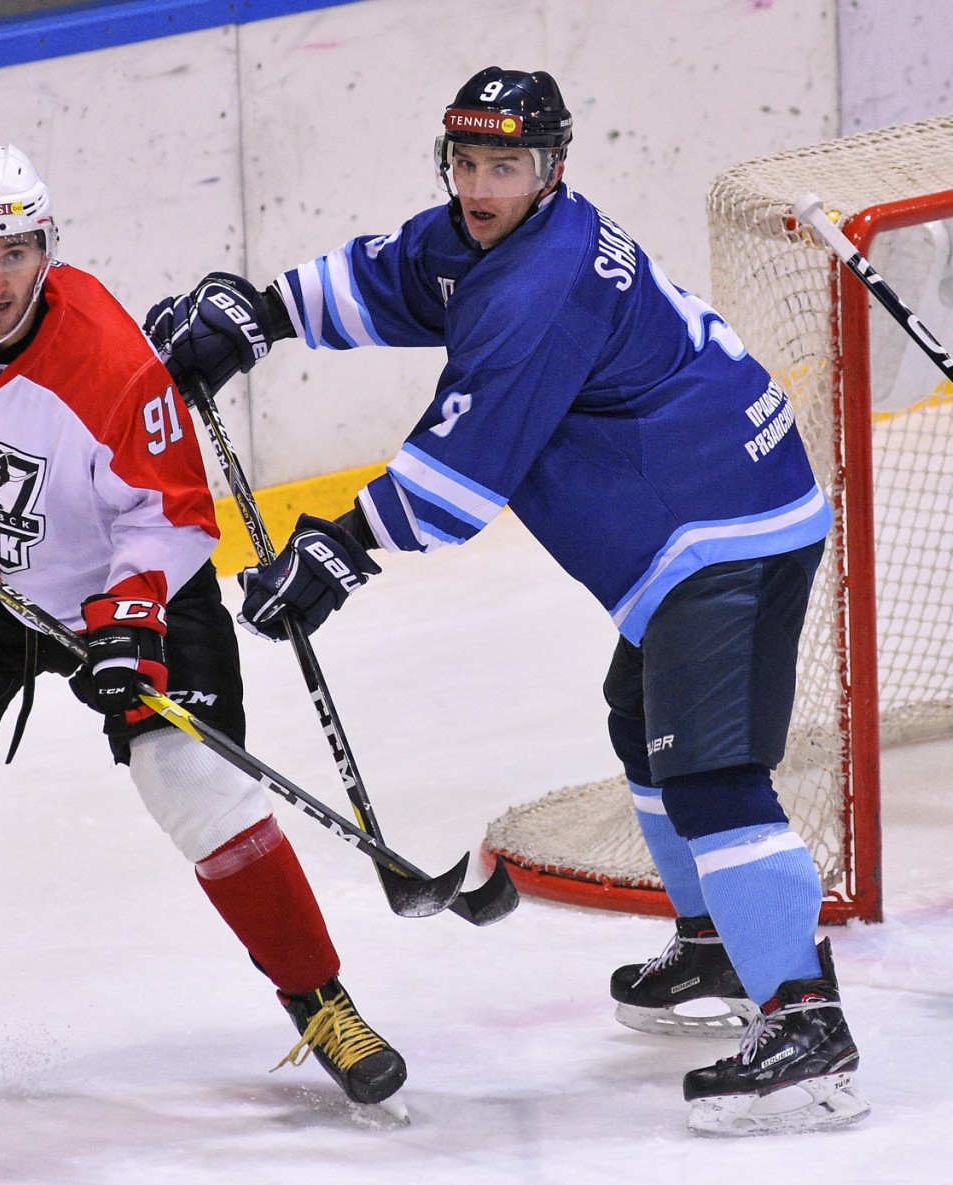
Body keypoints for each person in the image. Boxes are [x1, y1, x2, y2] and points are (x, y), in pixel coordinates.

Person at [143, 69, 870, 1136]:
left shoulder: (540, 289)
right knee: (643, 722)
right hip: (706, 511)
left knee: (712, 773)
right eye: (468, 163)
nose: (481, 187)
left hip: (725, 526)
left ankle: (808, 1027)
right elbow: (390, 275)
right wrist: (260, 315)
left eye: (507, 166)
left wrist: (339, 548)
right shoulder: (485, 236)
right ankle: (718, 944)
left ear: (553, 170)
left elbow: (458, 478)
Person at [0, 144, 405, 1120]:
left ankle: (324, 1004)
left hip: (122, 582)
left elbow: (173, 515)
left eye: (14, 252)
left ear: (46, 248)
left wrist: (128, 620)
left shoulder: (110, 361)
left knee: (195, 784)